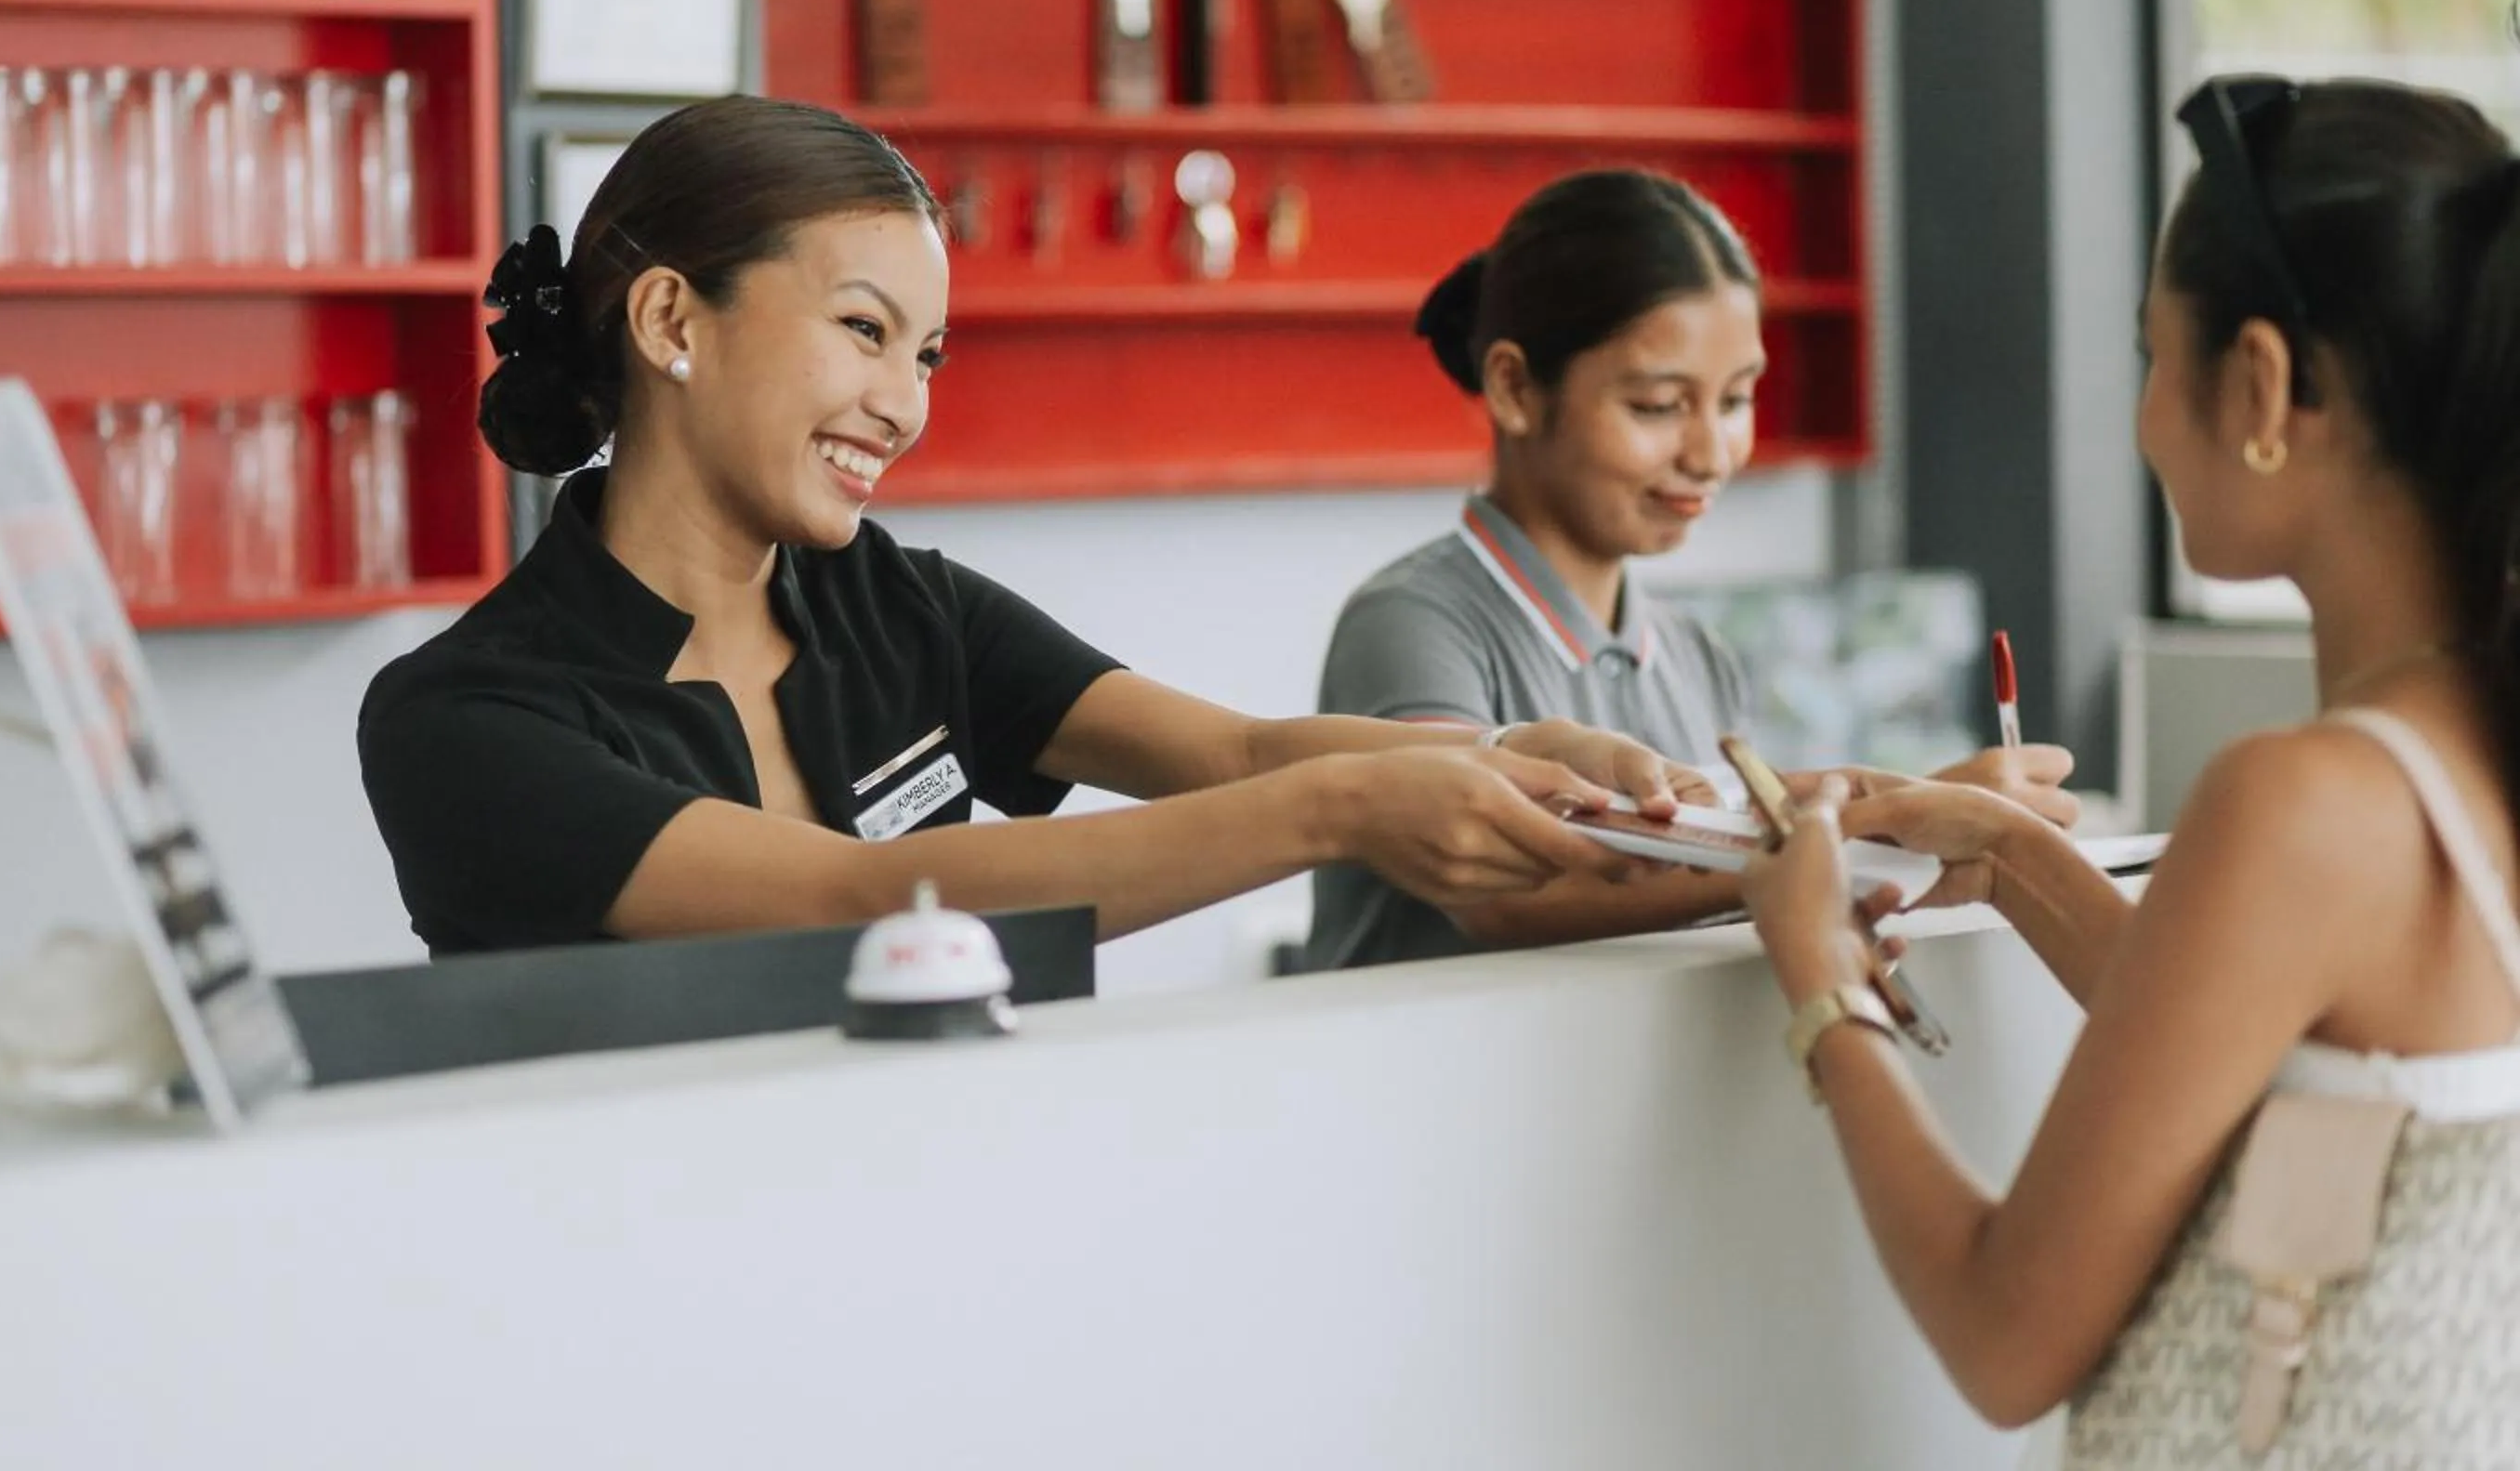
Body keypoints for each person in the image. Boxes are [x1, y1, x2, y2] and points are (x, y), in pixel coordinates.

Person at [357, 97, 1687, 956]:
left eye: (928, 355)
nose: (903, 405)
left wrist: (1511, 757)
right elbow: (852, 907)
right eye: (864, 330)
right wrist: (1341, 809)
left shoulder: (903, 606)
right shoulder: (465, 721)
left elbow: (1234, 750)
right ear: (669, 321)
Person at [1739, 75, 2520, 1464]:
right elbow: (2267, 1029)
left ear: (2263, 384)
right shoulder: (2467, 755)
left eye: (2154, 353)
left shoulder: (2307, 800)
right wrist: (2017, 855)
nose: (2149, 416)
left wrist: (1823, 981)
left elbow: (2003, 1336)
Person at [1308, 168, 2076, 967]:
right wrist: (1869, 832)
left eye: (1736, 400)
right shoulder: (1412, 623)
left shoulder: (1694, 655)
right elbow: (1497, 887)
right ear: (1514, 388)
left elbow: (1723, 892)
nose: (1711, 455)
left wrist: (1891, 838)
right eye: (1658, 405)